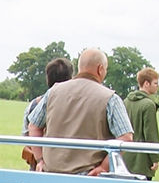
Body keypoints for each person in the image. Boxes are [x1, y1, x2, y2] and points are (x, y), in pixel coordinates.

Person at [26, 47, 134, 175]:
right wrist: (104, 167)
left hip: (50, 174)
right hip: (88, 176)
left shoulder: (53, 92)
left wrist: (40, 160)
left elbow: (33, 126)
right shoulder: (111, 98)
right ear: (100, 69)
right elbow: (126, 138)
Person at [22, 57, 72, 168]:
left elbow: (26, 137)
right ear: (70, 78)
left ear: (47, 78)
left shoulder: (33, 105)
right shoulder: (73, 105)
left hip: (38, 168)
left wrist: (39, 158)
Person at [123, 67, 159, 179]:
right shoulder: (148, 105)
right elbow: (151, 134)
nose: (157, 86)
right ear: (146, 83)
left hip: (126, 158)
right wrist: (155, 158)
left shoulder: (126, 101)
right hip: (141, 161)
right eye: (155, 83)